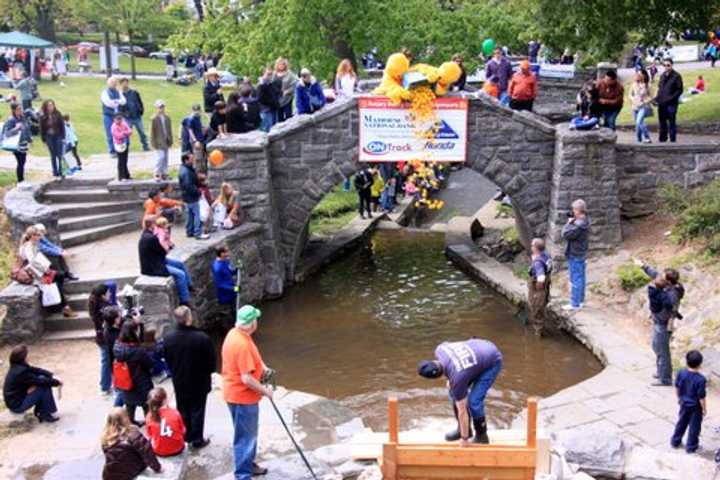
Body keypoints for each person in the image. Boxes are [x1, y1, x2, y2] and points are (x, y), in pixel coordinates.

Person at [418, 338, 503, 445]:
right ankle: (464, 429)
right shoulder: (440, 349)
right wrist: (450, 379)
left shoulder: (457, 378)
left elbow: (462, 411)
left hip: (492, 360)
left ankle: (482, 436)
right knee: (454, 392)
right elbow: (454, 362)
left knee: (474, 402)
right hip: (480, 347)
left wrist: (464, 439)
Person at [222, 305, 271, 479]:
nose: (257, 321)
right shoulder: (242, 344)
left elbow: (253, 358)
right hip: (242, 397)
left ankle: (249, 464)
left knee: (245, 434)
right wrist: (266, 391)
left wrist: (263, 367)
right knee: (245, 438)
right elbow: (247, 379)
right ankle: (243, 475)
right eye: (256, 319)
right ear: (251, 323)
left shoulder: (235, 334)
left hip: (233, 393)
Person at [162, 305, 216, 449]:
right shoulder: (202, 338)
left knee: (183, 407)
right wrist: (209, 373)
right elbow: (211, 361)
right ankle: (197, 439)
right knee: (198, 409)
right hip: (199, 380)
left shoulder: (168, 338)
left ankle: (186, 434)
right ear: (188, 319)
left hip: (180, 379)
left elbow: (166, 358)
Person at [18, 225, 76, 317]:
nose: (40, 236)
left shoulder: (35, 243)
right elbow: (32, 261)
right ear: (33, 236)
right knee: (55, 280)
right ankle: (65, 307)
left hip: (40, 270)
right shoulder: (29, 246)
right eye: (38, 235)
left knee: (60, 276)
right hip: (34, 273)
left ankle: (63, 303)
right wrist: (46, 270)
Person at [138, 217, 193, 306]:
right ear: (152, 225)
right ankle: (185, 300)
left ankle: (190, 286)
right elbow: (163, 251)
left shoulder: (146, 235)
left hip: (157, 259)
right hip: (153, 266)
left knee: (180, 264)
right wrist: (168, 246)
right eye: (155, 224)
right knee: (180, 274)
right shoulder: (151, 238)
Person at [2, 345, 61, 423]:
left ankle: (42, 411)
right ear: (23, 357)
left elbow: (35, 370)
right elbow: (40, 381)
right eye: (27, 355)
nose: (28, 357)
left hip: (17, 398)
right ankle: (44, 413)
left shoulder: (18, 366)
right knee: (43, 384)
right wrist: (57, 382)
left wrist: (51, 375)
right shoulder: (21, 371)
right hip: (17, 405)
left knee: (42, 379)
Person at [101, 407, 162, 480]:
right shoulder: (133, 434)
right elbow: (147, 453)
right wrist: (157, 468)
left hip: (111, 474)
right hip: (132, 470)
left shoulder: (106, 437)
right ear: (125, 418)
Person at [113, 322, 154, 426]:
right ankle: (149, 423)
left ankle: (130, 422)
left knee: (129, 405)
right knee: (146, 405)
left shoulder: (117, 346)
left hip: (126, 381)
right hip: (141, 381)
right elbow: (149, 364)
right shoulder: (138, 351)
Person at [671, 350, 706, 453]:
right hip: (695, 407)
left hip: (683, 403)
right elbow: (701, 397)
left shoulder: (681, 373)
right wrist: (704, 409)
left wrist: (679, 398)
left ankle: (675, 441)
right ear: (700, 364)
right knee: (694, 427)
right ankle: (691, 447)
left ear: (687, 362)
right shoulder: (701, 379)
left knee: (681, 422)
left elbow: (677, 387)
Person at [561, 199, 590, 312]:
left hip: (575, 253)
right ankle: (580, 301)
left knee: (576, 278)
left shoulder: (578, 225)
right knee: (581, 277)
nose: (573, 211)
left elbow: (565, 234)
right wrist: (574, 221)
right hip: (581, 252)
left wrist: (569, 222)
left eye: (574, 209)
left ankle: (575, 303)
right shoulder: (585, 220)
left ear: (578, 210)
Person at [89, 282, 118, 395]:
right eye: (108, 292)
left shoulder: (96, 305)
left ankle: (106, 385)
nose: (110, 293)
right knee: (107, 361)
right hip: (105, 338)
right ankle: (106, 386)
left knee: (106, 360)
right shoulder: (104, 308)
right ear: (102, 295)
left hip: (101, 337)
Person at [145, 387, 186, 456]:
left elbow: (150, 435)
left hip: (159, 451)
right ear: (165, 400)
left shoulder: (149, 417)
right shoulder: (175, 413)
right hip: (178, 448)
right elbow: (183, 430)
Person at [179, 152, 209, 240]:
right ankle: (197, 233)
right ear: (186, 160)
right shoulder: (186, 172)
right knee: (197, 215)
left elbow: (193, 181)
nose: (193, 160)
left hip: (187, 197)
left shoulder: (186, 169)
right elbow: (189, 186)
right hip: (192, 197)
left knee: (190, 215)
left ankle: (190, 232)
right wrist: (198, 192)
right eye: (191, 159)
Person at [655, 59, 683, 143]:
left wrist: (671, 98)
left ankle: (672, 140)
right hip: (662, 103)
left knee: (671, 122)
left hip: (671, 104)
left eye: (668, 65)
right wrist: (657, 99)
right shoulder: (662, 75)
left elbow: (679, 90)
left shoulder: (676, 76)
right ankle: (662, 139)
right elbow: (660, 89)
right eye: (665, 65)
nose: (666, 67)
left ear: (672, 65)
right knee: (662, 122)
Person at [528, 238, 552, 336]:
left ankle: (538, 331)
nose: (531, 247)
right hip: (547, 281)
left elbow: (541, 277)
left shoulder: (538, 263)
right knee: (543, 302)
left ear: (536, 248)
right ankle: (542, 320)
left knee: (536, 305)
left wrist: (538, 286)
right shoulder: (546, 254)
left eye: (532, 246)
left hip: (538, 285)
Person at [3, 102, 32, 183]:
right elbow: (7, 133)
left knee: (23, 161)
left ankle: (21, 180)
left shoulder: (22, 117)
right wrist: (16, 128)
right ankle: (20, 181)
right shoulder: (11, 120)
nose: (20, 110)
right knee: (20, 162)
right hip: (16, 145)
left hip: (24, 143)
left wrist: (29, 139)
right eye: (18, 109)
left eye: (21, 108)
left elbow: (26, 128)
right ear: (14, 110)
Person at [119, 78, 149, 151]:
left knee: (142, 132)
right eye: (123, 83)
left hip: (137, 116)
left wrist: (141, 110)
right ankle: (126, 147)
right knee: (126, 134)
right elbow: (119, 107)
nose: (125, 84)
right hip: (127, 118)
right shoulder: (120, 95)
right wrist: (123, 114)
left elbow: (140, 102)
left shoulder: (134, 92)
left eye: (126, 82)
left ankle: (145, 146)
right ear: (121, 84)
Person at [39, 99, 66, 178]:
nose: (51, 107)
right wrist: (43, 139)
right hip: (49, 136)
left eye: (52, 105)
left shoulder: (58, 114)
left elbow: (62, 126)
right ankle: (55, 171)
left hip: (58, 135)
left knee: (59, 154)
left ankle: (61, 170)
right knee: (53, 154)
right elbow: (41, 128)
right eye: (49, 106)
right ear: (46, 107)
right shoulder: (43, 116)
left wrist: (63, 137)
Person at [101, 77, 127, 156]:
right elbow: (108, 103)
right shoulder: (105, 92)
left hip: (118, 116)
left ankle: (121, 149)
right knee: (110, 133)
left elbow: (124, 101)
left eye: (115, 82)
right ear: (108, 83)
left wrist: (116, 101)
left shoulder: (118, 92)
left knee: (121, 132)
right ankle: (112, 151)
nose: (114, 84)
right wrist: (117, 101)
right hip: (108, 115)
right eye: (112, 82)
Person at [150, 100, 173, 181]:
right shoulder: (154, 119)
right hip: (159, 142)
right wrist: (153, 143)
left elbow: (169, 130)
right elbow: (152, 132)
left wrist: (171, 139)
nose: (161, 109)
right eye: (160, 107)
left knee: (166, 158)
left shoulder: (167, 118)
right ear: (156, 108)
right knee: (160, 157)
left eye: (162, 107)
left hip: (166, 140)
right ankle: (156, 173)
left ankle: (165, 173)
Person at [629, 69, 653, 143]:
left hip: (643, 106)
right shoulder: (634, 84)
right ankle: (638, 140)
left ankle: (647, 137)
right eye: (637, 74)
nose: (638, 75)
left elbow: (651, 96)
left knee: (639, 122)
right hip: (634, 106)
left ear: (644, 75)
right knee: (637, 124)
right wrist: (633, 99)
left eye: (640, 74)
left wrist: (644, 101)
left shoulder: (648, 85)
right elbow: (630, 94)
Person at [181, 104, 206, 172]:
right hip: (196, 141)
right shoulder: (191, 118)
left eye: (198, 110)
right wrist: (195, 140)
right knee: (197, 158)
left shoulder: (198, 117)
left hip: (201, 140)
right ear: (192, 110)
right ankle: (197, 173)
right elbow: (190, 130)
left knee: (200, 157)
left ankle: (200, 171)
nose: (197, 112)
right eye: (195, 110)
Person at [272, 57, 298, 123]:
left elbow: (295, 84)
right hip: (277, 99)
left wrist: (287, 91)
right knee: (279, 117)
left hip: (287, 97)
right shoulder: (274, 74)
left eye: (282, 64)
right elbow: (271, 85)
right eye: (279, 64)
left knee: (288, 115)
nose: (281, 66)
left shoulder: (290, 74)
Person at [257, 67, 279, 132]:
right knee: (267, 129)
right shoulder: (261, 85)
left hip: (273, 108)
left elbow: (276, 93)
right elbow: (260, 99)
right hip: (266, 110)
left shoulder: (271, 84)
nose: (270, 76)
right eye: (268, 74)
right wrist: (272, 102)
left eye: (271, 74)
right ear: (264, 73)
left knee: (275, 129)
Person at [111, 114, 133, 181]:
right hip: (118, 145)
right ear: (114, 120)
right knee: (121, 160)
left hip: (125, 143)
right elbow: (118, 136)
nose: (119, 120)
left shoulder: (124, 123)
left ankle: (126, 175)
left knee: (125, 160)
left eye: (120, 119)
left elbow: (130, 131)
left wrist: (124, 133)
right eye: (117, 119)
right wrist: (124, 133)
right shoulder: (113, 126)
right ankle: (121, 176)